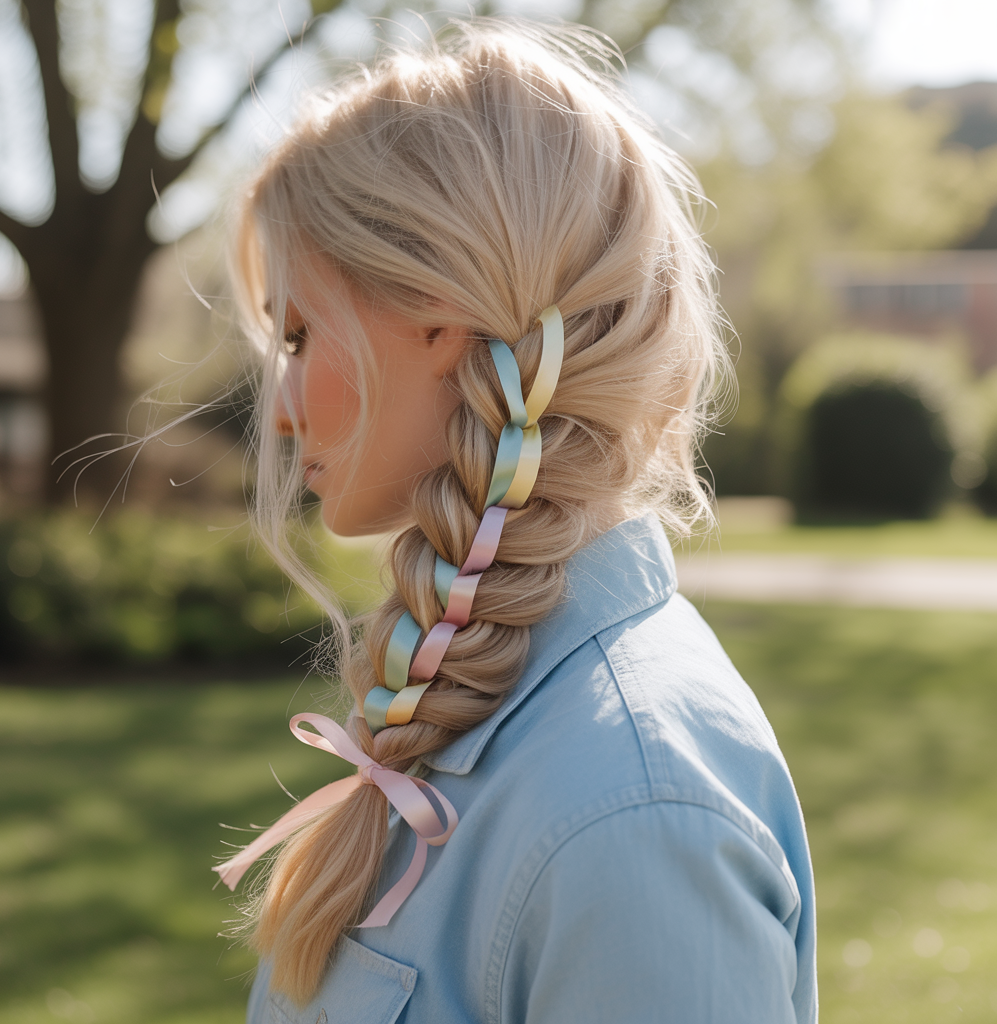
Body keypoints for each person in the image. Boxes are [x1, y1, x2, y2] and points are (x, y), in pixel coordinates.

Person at [217, 18, 817, 1024]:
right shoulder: (481, 704)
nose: (278, 406)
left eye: (298, 331)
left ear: (436, 311)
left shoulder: (631, 811)